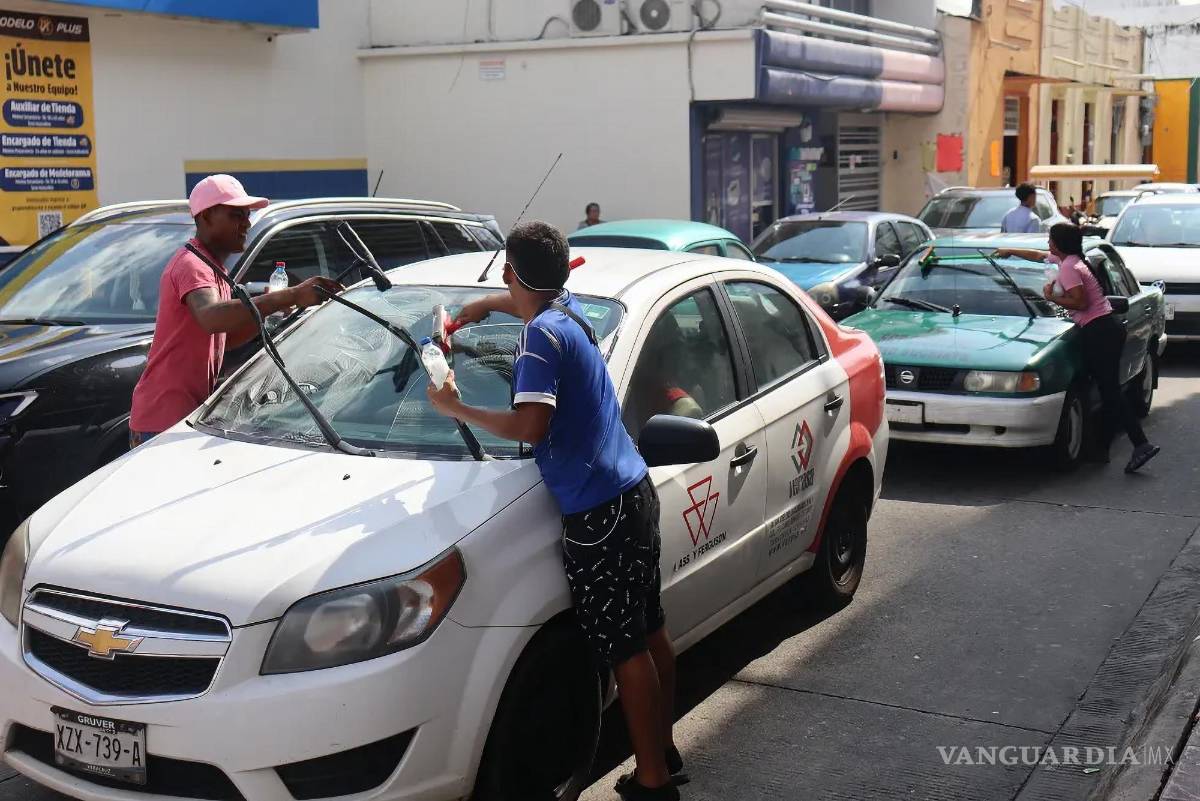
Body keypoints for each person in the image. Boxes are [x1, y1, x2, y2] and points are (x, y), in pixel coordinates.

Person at [427, 222, 683, 801]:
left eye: (506, 278)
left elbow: (529, 425)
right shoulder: (566, 312)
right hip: (633, 493)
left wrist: (454, 406)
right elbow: (528, 298)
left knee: (624, 648)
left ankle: (653, 780)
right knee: (650, 630)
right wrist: (475, 309)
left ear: (512, 273)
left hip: (598, 514)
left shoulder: (538, 339)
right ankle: (663, 748)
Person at [128, 174, 341, 447]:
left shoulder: (213, 268)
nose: (246, 224)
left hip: (179, 417)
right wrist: (289, 295)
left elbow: (224, 341)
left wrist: (265, 311)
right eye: (236, 215)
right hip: (161, 421)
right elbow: (211, 317)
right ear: (205, 217)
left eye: (247, 215)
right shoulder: (192, 265)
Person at [995, 224, 1160, 473]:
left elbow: (1080, 301)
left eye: (1051, 239)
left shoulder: (1070, 268)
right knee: (1105, 389)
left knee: (1110, 391)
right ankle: (1101, 449)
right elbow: (1040, 256)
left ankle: (1141, 444)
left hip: (1099, 330)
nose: (1048, 243)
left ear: (1059, 243)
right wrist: (1010, 251)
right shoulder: (1070, 260)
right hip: (1105, 328)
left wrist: (1051, 298)